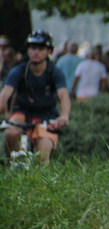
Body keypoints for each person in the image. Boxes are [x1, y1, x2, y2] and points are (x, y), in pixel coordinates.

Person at [0, 30, 70, 164]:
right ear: (28, 50)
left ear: (49, 51)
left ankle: (40, 183)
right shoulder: (19, 70)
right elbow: (5, 94)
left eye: (41, 48)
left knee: (41, 157)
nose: (36, 52)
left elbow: (63, 95)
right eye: (33, 48)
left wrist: (64, 114)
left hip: (47, 116)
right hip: (23, 112)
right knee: (10, 132)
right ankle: (11, 165)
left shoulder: (55, 72)